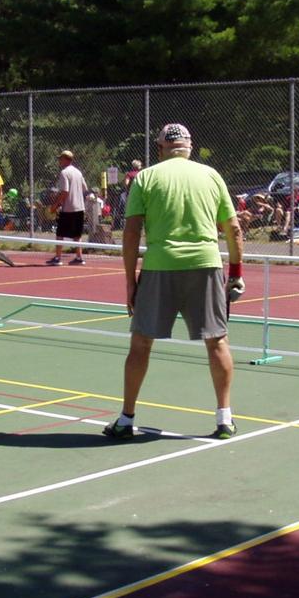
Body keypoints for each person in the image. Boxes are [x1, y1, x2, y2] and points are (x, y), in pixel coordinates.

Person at [105, 123, 244, 441]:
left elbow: (131, 232)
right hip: (205, 265)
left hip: (159, 267)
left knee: (140, 344)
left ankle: (126, 420)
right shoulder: (211, 176)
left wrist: (130, 281)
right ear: (189, 147)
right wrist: (235, 272)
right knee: (217, 341)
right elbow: (234, 229)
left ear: (159, 149)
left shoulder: (146, 177)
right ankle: (225, 419)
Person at [49, 149, 87, 265]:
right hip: (79, 207)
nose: (59, 161)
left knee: (60, 233)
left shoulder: (64, 173)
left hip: (68, 208)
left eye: (61, 158)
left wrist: (55, 205)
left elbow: (64, 192)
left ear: (66, 159)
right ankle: (79, 257)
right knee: (77, 234)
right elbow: (85, 188)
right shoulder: (78, 172)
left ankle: (58, 258)